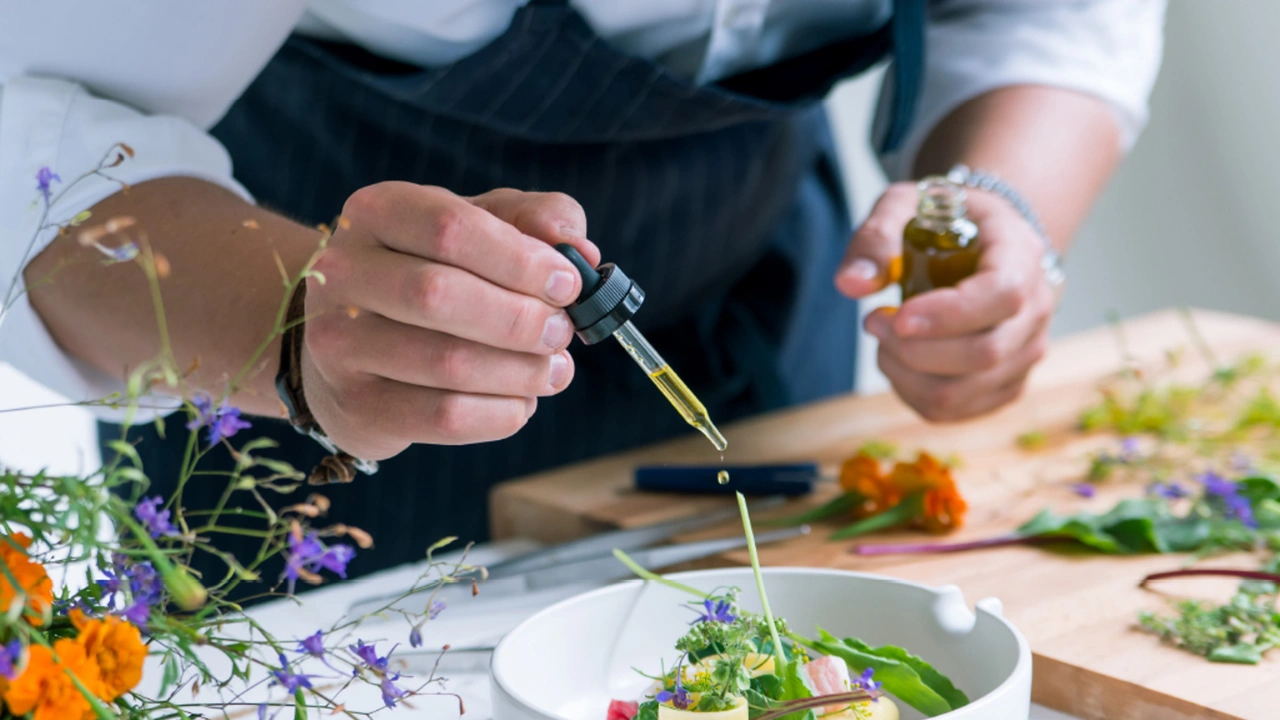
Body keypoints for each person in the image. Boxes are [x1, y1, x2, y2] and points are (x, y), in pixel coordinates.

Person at [1, 1, 1165, 582]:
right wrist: (297, 325)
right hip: (293, 356)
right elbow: (26, 112)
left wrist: (988, 225)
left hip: (757, 284)